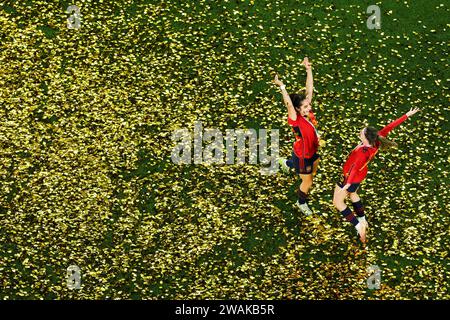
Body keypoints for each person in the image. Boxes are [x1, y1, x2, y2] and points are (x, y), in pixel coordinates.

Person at [332, 108, 420, 243]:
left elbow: (354, 168)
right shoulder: (376, 141)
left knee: (338, 202)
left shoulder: (363, 152)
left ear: (366, 138)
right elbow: (389, 127)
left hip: (351, 176)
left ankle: (358, 226)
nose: (360, 132)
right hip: (360, 175)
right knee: (353, 194)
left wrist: (347, 183)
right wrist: (406, 115)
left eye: (362, 132)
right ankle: (362, 219)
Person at [273, 57, 320, 216]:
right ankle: (301, 202)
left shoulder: (307, 112)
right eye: (306, 106)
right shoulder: (295, 119)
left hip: (311, 151)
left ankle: (286, 163)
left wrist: (308, 69)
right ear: (298, 109)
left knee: (312, 173)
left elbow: (310, 88)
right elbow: (288, 103)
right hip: (303, 155)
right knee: (308, 181)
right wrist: (282, 87)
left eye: (309, 105)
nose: (309, 107)